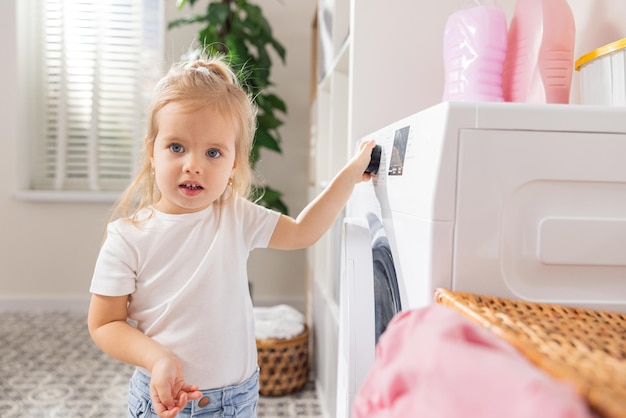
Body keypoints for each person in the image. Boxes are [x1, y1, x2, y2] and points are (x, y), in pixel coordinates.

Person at [87, 53, 376, 418]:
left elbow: (303, 231)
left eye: (213, 152)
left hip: (239, 398)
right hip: (170, 401)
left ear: (233, 163)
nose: (193, 164)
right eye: (177, 147)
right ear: (152, 151)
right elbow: (104, 322)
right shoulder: (128, 237)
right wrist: (157, 358)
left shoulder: (234, 214)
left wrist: (350, 174)